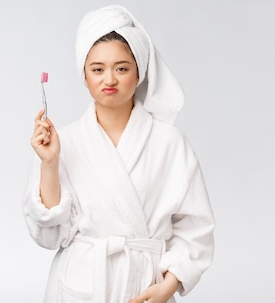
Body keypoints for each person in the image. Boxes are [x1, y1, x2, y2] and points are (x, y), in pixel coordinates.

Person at [22, 4, 215, 303]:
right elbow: (49, 237)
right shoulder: (63, 142)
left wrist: (168, 285)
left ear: (139, 73)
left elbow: (196, 228)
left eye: (122, 68)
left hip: (146, 287)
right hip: (81, 286)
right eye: (97, 69)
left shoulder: (170, 142)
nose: (109, 79)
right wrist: (49, 164)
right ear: (84, 75)